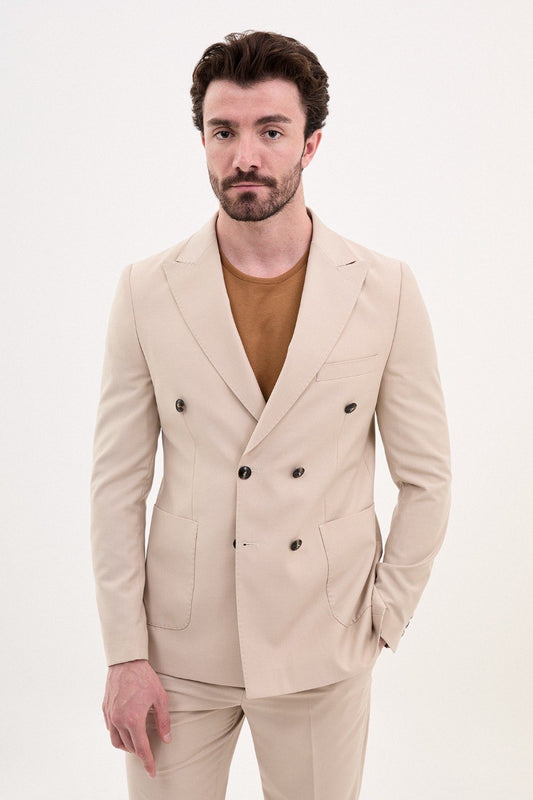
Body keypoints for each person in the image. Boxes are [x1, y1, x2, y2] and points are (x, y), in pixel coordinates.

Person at [90, 29, 452, 799]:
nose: (244, 155)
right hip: (178, 654)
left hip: (322, 644)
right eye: (223, 131)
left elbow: (426, 479)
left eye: (270, 132)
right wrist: (125, 652)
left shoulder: (384, 289)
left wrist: (381, 616)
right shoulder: (146, 290)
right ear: (202, 139)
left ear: (309, 144)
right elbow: (116, 485)